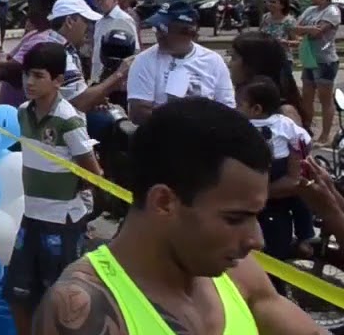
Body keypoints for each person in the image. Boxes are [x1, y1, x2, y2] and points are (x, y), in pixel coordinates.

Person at [33, 97, 324, 334]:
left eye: (255, 216)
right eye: (234, 219)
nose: (256, 240)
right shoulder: (83, 309)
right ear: (163, 202)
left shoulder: (237, 271)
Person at [5, 42, 101, 335]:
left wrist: (82, 207)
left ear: (58, 80)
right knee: (19, 294)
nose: (30, 83)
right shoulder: (23, 112)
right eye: (26, 76)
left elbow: (93, 171)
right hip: (31, 217)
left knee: (61, 299)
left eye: (38, 76)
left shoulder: (68, 121)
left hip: (62, 223)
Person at [234, 76, 315, 261]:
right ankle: (305, 236)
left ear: (256, 109)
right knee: (299, 199)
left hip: (275, 169)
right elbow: (304, 139)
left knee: (300, 195)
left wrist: (297, 152)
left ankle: (305, 236)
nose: (236, 108)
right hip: (269, 168)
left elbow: (301, 140)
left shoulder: (245, 125)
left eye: (239, 105)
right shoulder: (283, 123)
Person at [127, 0, 235, 125]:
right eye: (156, 28)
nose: (158, 34)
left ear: (189, 33)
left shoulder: (213, 61)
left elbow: (227, 109)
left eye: (163, 29)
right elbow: (138, 114)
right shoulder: (144, 61)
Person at [291, 0, 342, 144]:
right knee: (307, 97)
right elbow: (295, 28)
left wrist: (306, 30)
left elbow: (318, 33)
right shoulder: (311, 10)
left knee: (324, 98)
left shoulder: (332, 11)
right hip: (309, 59)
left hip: (325, 60)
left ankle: (325, 134)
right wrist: (308, 29)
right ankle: (307, 130)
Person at [230, 31, 304, 125]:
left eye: (234, 58)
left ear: (253, 64)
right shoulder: (240, 102)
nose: (229, 64)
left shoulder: (285, 116)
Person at [89, 0, 138, 81]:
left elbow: (135, 50)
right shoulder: (99, 21)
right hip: (98, 75)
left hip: (114, 77)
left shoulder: (124, 19)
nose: (99, 2)